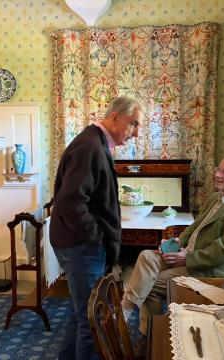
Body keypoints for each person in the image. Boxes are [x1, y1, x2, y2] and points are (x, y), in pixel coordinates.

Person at [121, 156, 224, 335]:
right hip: (188, 255)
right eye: (217, 169)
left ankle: (151, 334)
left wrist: (187, 258)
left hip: (213, 271)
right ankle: (128, 307)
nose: (216, 174)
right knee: (146, 255)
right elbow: (194, 227)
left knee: (150, 285)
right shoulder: (215, 198)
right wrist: (176, 243)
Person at [50, 96, 142, 360]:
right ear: (114, 116)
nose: (135, 133)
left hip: (81, 245)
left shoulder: (95, 142)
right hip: (81, 246)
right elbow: (69, 201)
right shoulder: (90, 146)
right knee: (92, 319)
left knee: (80, 313)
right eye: (133, 124)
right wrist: (95, 238)